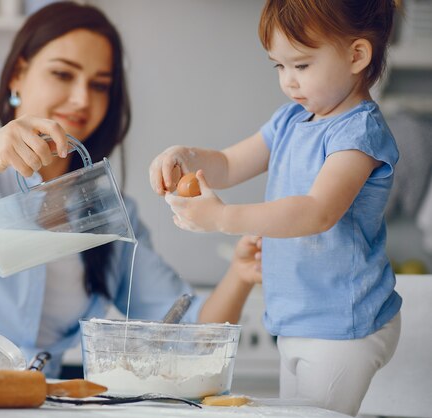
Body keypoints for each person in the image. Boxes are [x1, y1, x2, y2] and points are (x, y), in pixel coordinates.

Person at [0, 2, 261, 378]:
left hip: (37, 401)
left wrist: (242, 274)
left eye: (100, 85)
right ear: (17, 74)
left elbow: (190, 335)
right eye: (62, 74)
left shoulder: (107, 210)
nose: (82, 99)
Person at [149, 0, 401, 415]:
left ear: (357, 55)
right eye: (278, 67)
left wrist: (223, 218)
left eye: (301, 66)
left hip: (344, 324)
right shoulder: (290, 121)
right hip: (296, 320)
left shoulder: (359, 132)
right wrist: (186, 156)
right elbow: (229, 164)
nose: (288, 82)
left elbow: (318, 211)